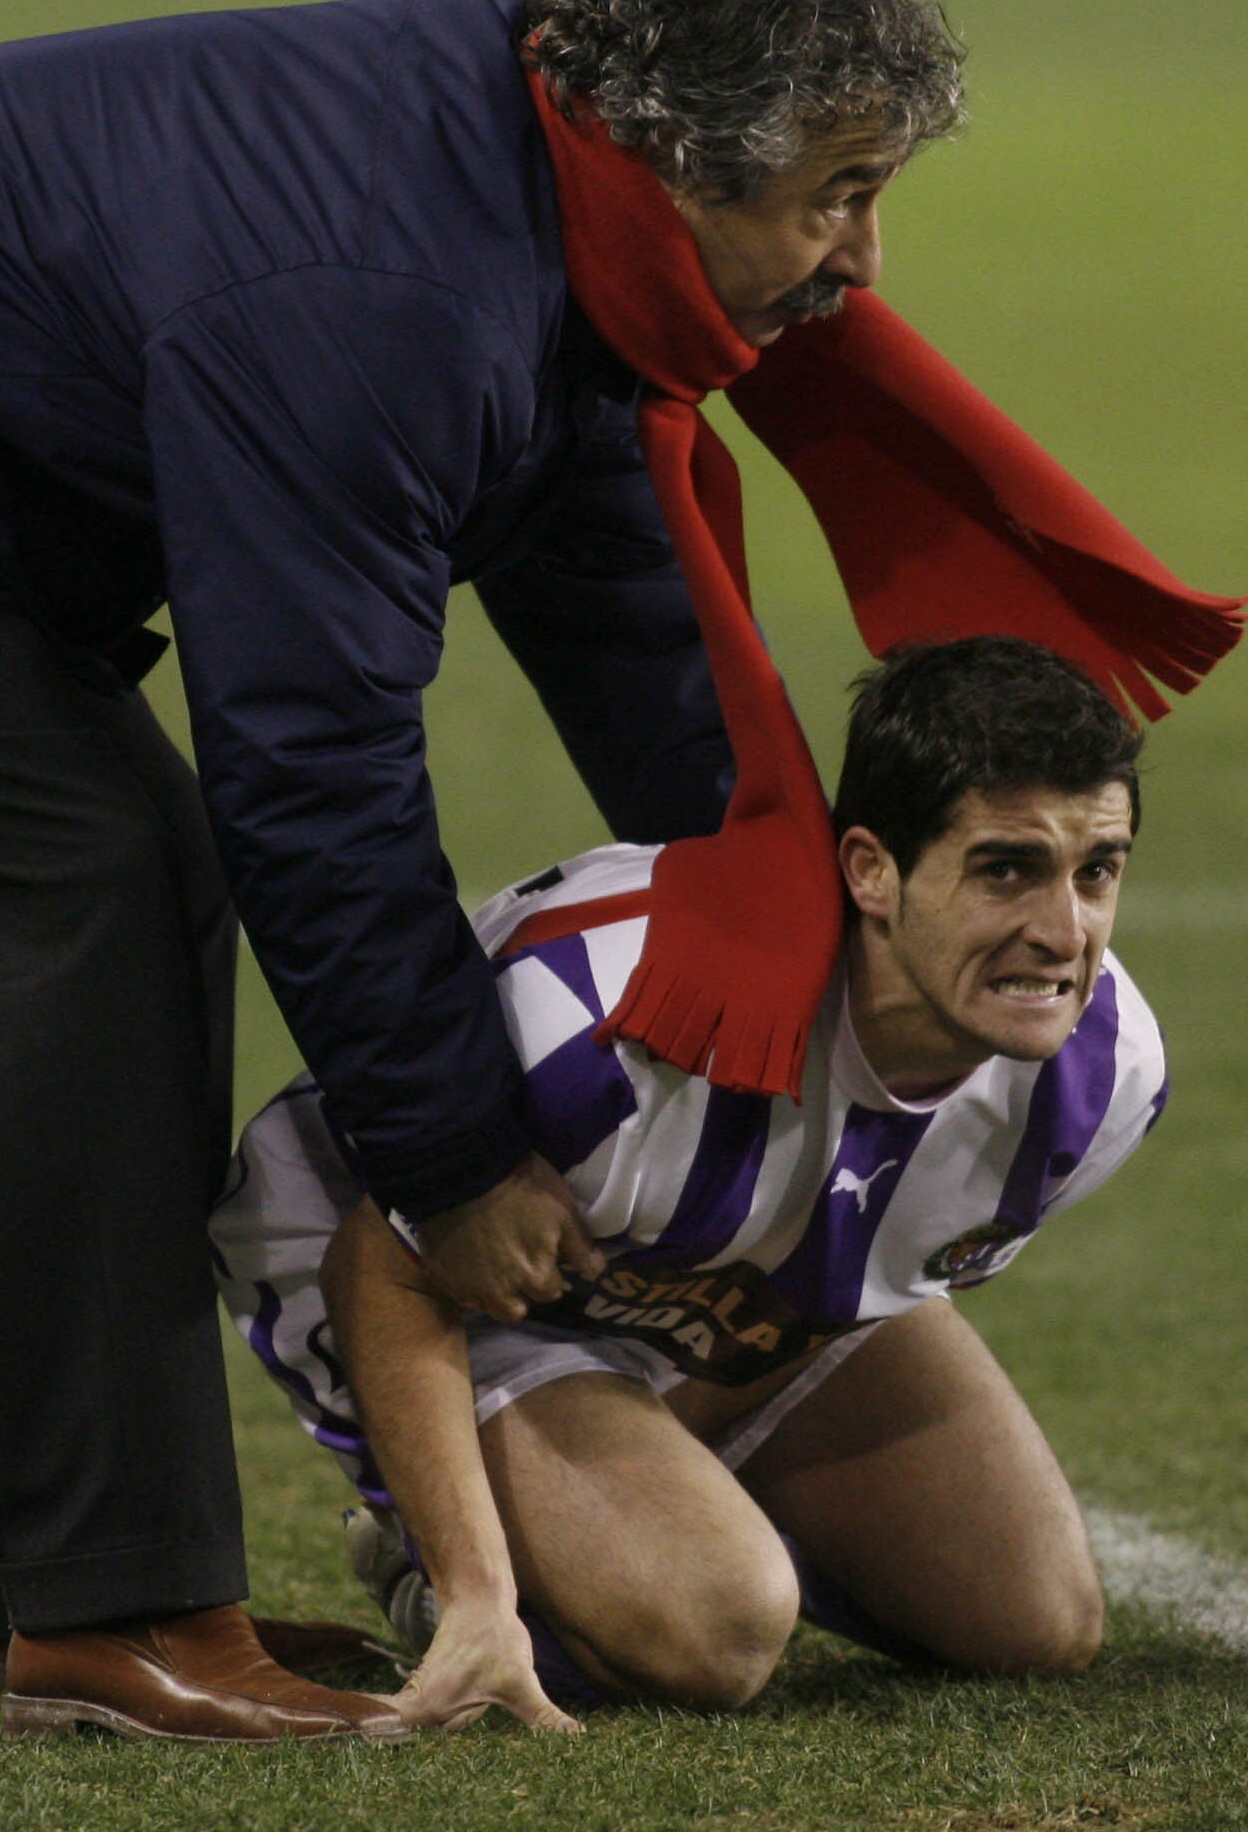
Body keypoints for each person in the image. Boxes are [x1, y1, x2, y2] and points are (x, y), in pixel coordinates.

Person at [0, 0, 1233, 1743]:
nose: (863, 266)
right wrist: (453, 1159)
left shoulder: (551, 180)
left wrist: (807, 933)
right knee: (94, 885)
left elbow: (624, 608)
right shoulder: (390, 296)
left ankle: (40, 1605)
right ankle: (110, 1614)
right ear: (682, 168)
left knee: (123, 887)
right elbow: (308, 752)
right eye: (836, 197)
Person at [209, 638, 1165, 1732]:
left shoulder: (1105, 1079)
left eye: (1095, 870)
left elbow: (845, 1276)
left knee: (1034, 1618)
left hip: (720, 1290)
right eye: (1005, 868)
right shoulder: (625, 1013)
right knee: (719, 1624)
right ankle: (460, 1564)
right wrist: (481, 1590)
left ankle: (631, 1523)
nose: (1063, 933)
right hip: (431, 1280)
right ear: (871, 870)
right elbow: (385, 1258)